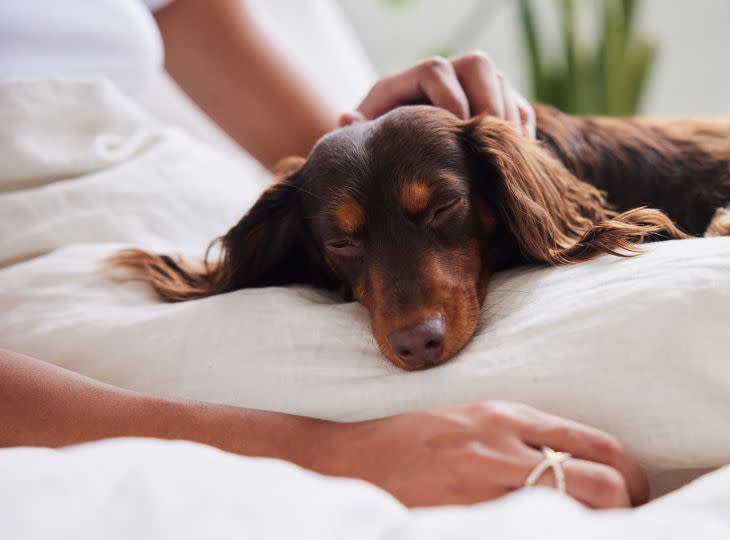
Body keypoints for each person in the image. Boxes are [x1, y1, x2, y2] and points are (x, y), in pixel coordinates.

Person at [0, 0, 648, 507]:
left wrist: (381, 142)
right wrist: (336, 456)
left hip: (179, 203)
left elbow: (189, 14)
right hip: (43, 269)